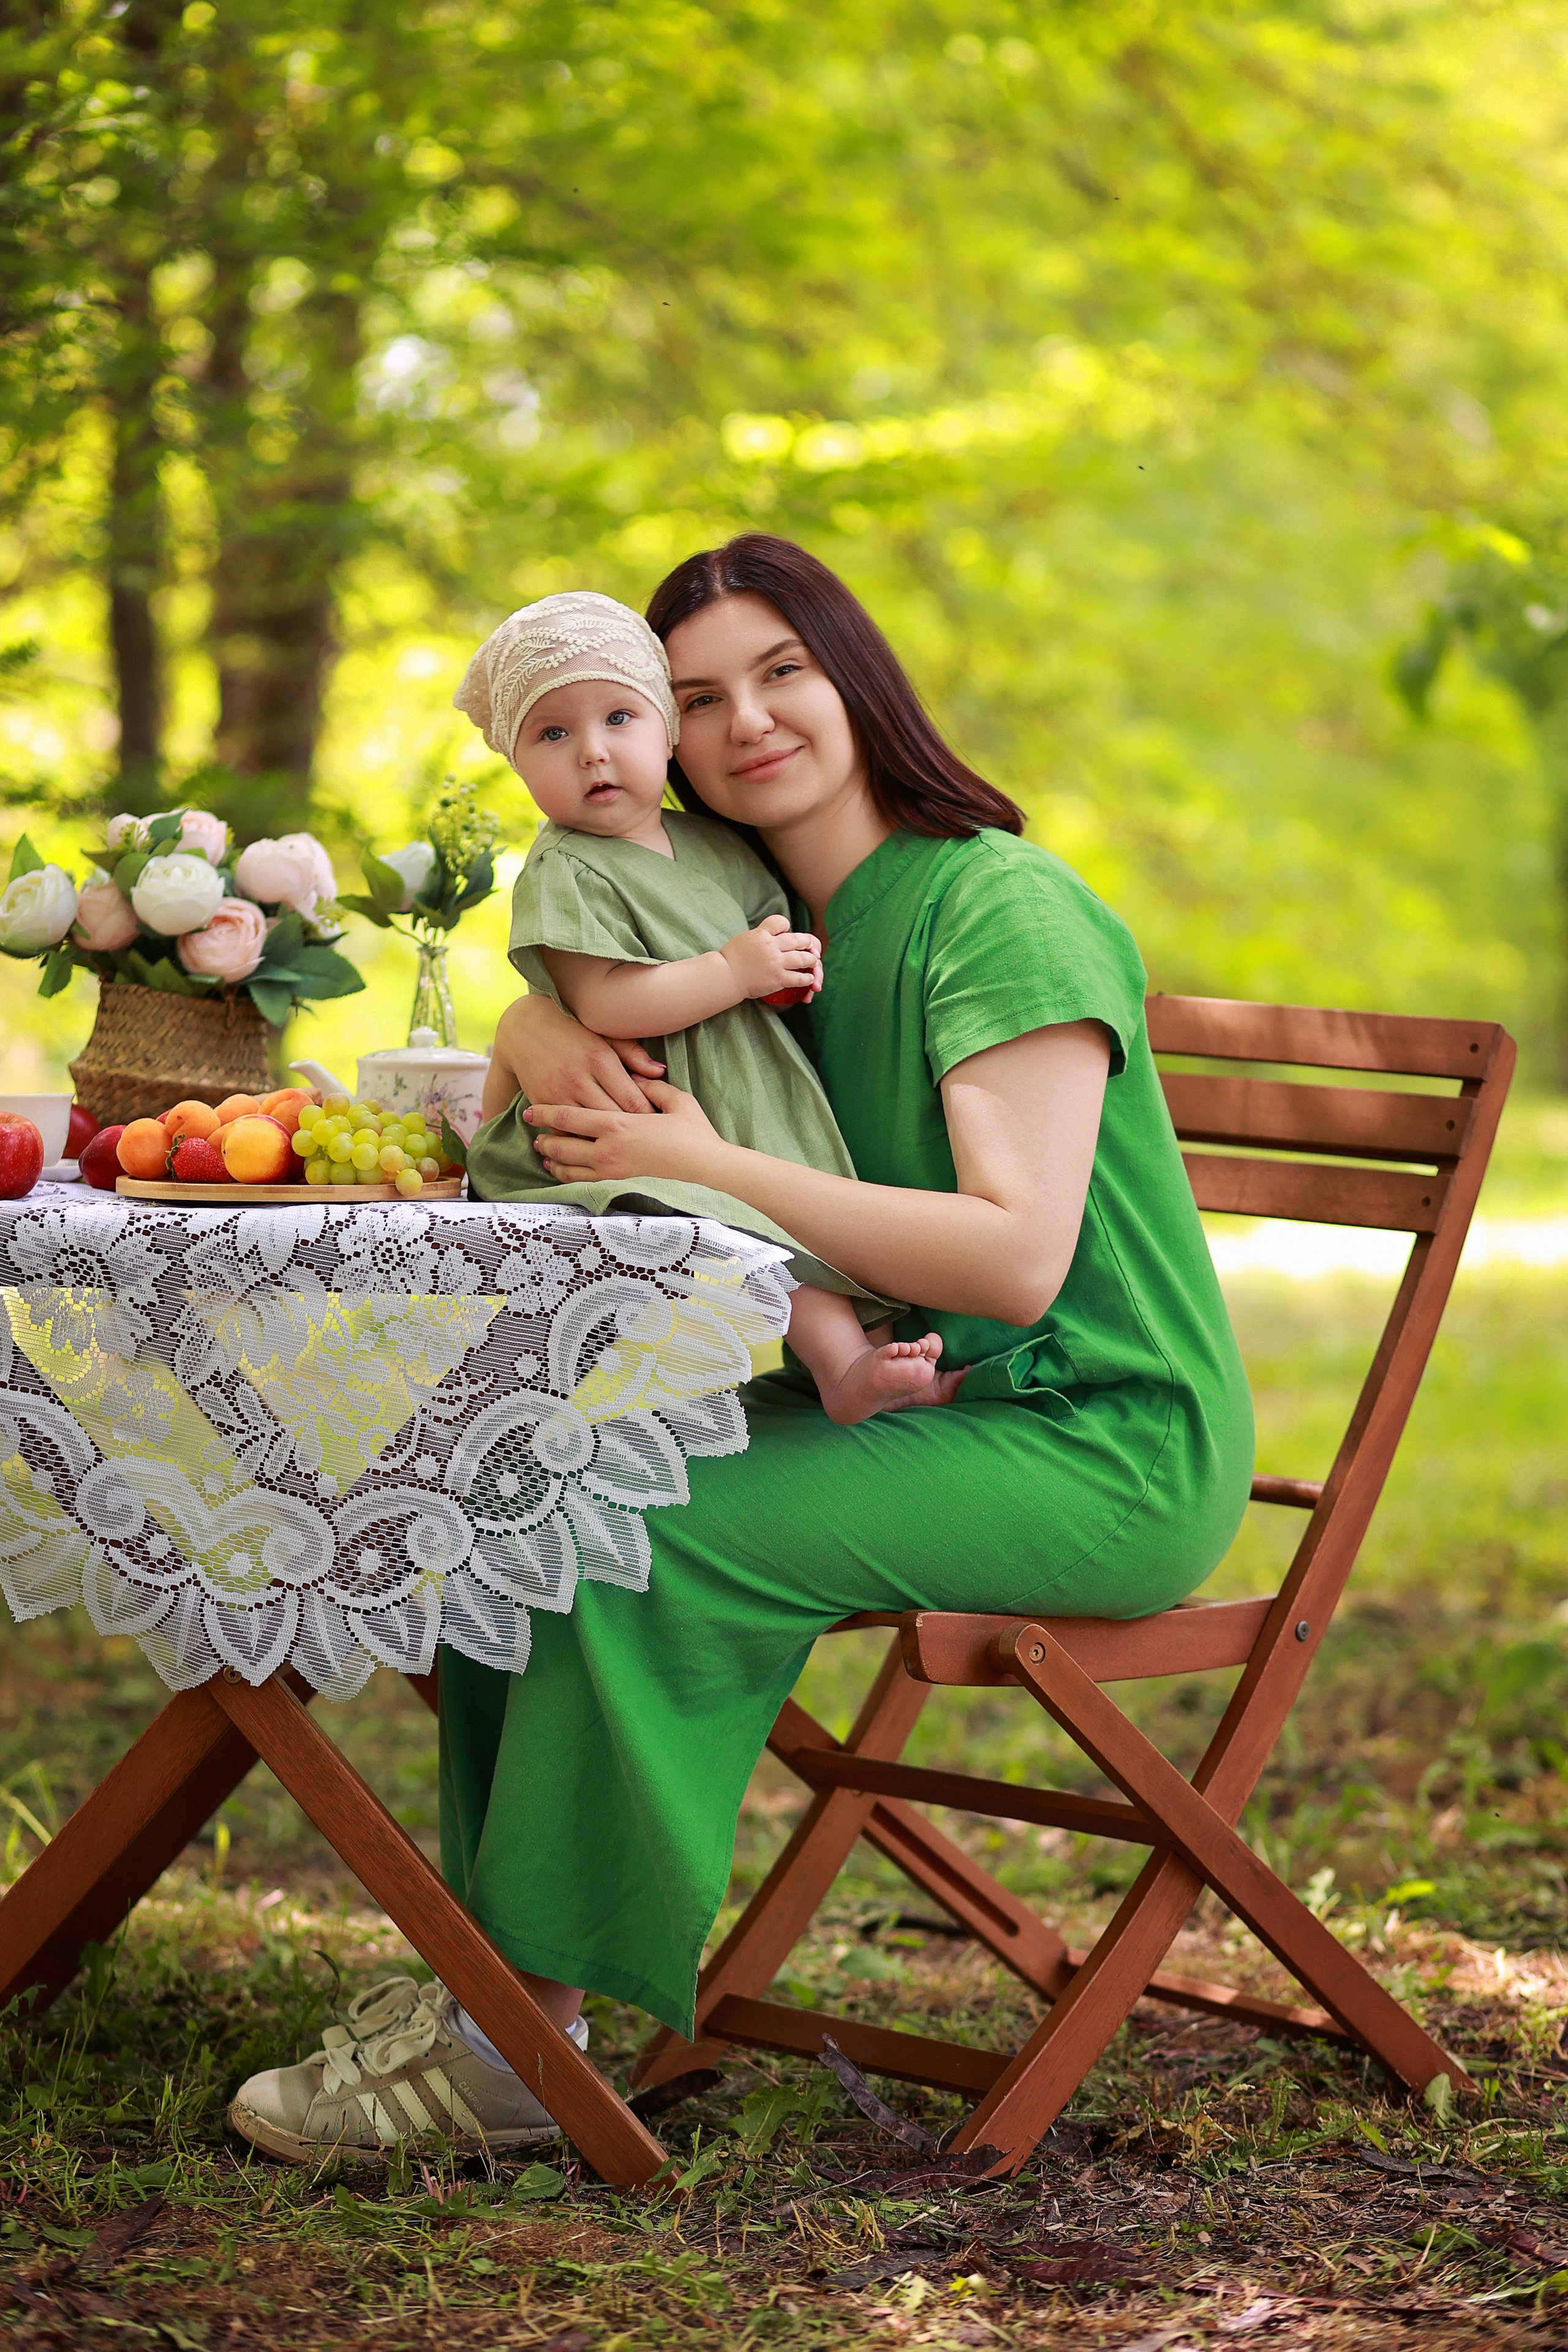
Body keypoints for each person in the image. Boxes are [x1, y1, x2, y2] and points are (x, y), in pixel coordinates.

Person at [229, 535, 1254, 2162]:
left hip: (1096, 1436)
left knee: (646, 1530)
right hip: (907, 1411)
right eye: (694, 696)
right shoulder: (749, 921)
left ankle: (523, 2040)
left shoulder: (998, 906)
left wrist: (708, 1162)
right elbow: (556, 1036)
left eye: (783, 670)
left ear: (857, 675)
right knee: (533, 1487)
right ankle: (500, 1994)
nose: (748, 721)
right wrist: (535, 1029)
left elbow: (1014, 1253)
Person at [454, 589, 957, 1425]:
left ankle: (846, 1365)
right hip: (646, 1099)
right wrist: (734, 969)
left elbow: (767, 933)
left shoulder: (717, 843)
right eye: (552, 734)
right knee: (723, 1223)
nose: (593, 754)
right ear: (517, 764)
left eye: (620, 718)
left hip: (740, 1080)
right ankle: (478, 1431)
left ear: (667, 732)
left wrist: (784, 972)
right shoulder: (569, 866)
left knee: (781, 1212)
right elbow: (606, 1000)